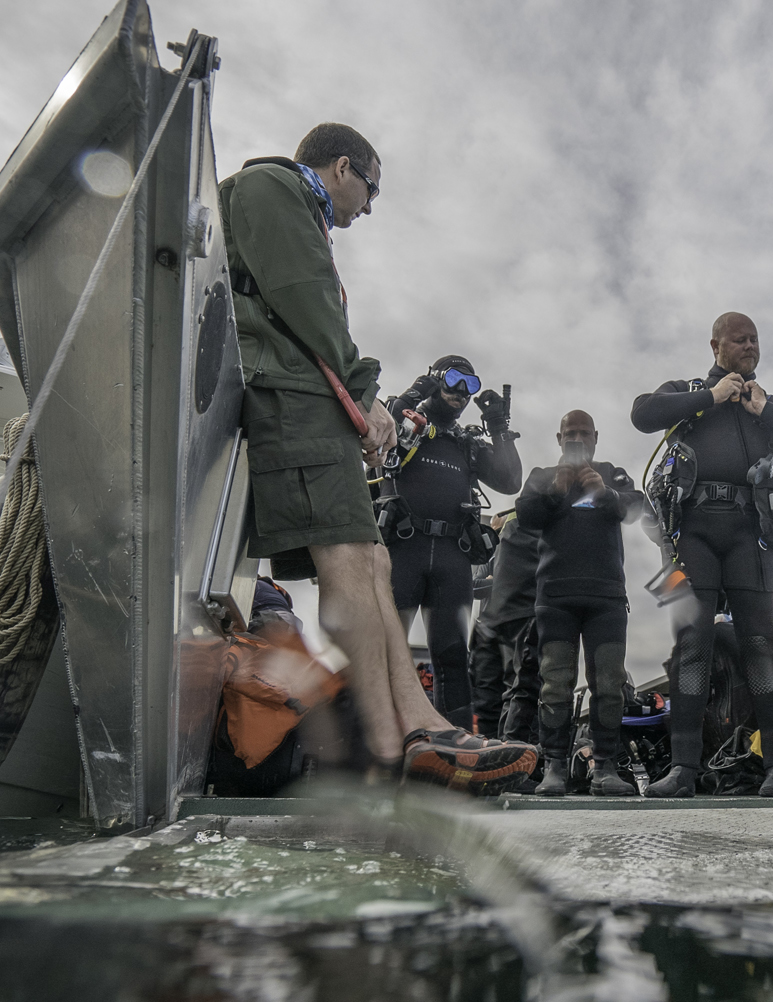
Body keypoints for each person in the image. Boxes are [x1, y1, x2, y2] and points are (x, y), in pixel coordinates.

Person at [220, 123, 535, 793]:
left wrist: (496, 427)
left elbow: (507, 479)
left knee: (368, 559)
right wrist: (370, 395)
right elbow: (304, 298)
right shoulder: (272, 186)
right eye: (371, 188)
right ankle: (392, 748)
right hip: (295, 397)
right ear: (342, 168)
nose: (369, 206)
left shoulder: (294, 208)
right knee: (351, 562)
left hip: (314, 404)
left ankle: (419, 728)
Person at [630, 312, 773, 797]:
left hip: (752, 537)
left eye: (754, 339)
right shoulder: (689, 392)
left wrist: (767, 412)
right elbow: (642, 413)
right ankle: (683, 769)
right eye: (738, 339)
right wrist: (711, 397)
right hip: (691, 537)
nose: (749, 346)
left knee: (761, 647)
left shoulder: (769, 405)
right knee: (692, 646)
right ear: (715, 346)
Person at [385, 355, 522, 729]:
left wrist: (498, 426)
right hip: (402, 549)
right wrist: (416, 393)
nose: (462, 392)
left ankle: (455, 745)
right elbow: (380, 422)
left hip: (452, 558)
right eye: (454, 379)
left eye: (471, 385)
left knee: (452, 656)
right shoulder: (403, 423)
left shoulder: (467, 444)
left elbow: (510, 481)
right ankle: (372, 749)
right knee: (384, 649)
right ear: (435, 379)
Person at [515, 411, 643, 796]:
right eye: (570, 434)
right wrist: (556, 490)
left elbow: (635, 506)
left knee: (609, 684)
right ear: (559, 438)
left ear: (595, 437)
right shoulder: (541, 476)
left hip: (606, 597)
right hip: (555, 597)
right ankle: (554, 767)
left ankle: (605, 768)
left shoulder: (611, 472)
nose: (577, 439)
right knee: (554, 685)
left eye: (583, 433)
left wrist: (605, 494)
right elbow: (524, 516)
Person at [469, 511, 543, 740]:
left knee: (520, 688)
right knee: (488, 696)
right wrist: (495, 582)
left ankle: (516, 748)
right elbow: (474, 587)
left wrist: (496, 582)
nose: (495, 519)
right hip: (490, 629)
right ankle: (489, 751)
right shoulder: (490, 556)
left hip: (518, 628)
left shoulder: (527, 549)